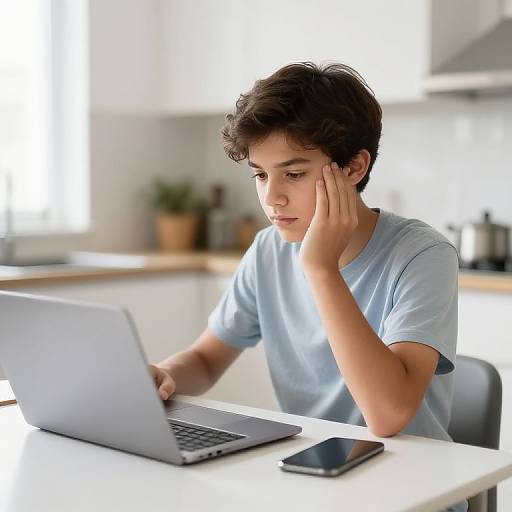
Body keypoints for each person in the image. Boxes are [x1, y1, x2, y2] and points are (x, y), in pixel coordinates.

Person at [149, 61, 465, 511]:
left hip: (411, 490)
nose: (271, 197)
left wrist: (320, 268)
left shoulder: (422, 255)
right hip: (311, 483)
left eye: (293, 174)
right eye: (260, 174)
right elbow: (204, 359)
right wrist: (165, 376)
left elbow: (389, 415)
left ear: (354, 167)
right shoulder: (268, 250)